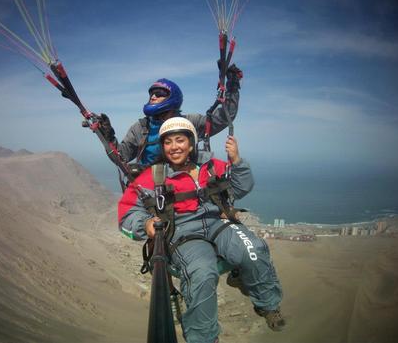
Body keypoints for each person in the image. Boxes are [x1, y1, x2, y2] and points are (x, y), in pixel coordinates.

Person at [118, 117, 285, 343]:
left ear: (191, 143)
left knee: (253, 249)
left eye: (180, 140)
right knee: (202, 273)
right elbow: (127, 212)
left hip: (217, 223)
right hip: (183, 232)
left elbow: (241, 188)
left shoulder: (212, 166)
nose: (174, 147)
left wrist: (236, 162)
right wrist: (145, 224)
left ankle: (267, 304)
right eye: (168, 142)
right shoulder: (153, 176)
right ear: (162, 147)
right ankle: (204, 338)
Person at [95, 64, 243, 168]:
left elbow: (223, 118)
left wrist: (232, 87)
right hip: (151, 187)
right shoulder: (141, 128)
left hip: (184, 180)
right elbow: (122, 157)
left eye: (159, 94)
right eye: (152, 94)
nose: (153, 97)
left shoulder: (189, 123)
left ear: (172, 98)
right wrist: (107, 137)